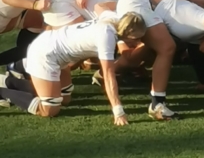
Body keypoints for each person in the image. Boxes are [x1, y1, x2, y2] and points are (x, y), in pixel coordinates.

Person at [0, 13, 146, 125]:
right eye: (136, 38)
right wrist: (118, 110)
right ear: (128, 33)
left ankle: (7, 82)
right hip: (45, 54)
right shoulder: (106, 37)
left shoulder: (113, 19)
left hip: (56, 50)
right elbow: (108, 76)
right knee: (49, 110)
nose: (138, 42)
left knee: (65, 99)